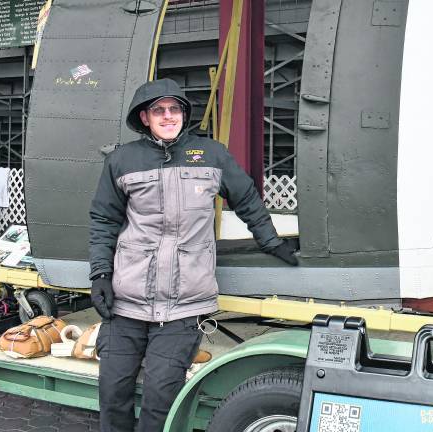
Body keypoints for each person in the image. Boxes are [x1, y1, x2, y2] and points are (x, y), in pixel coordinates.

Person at [88, 78, 298, 432]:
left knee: (160, 399)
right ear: (144, 117)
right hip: (127, 304)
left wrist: (270, 241)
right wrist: (99, 275)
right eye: (159, 110)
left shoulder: (212, 154)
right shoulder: (123, 161)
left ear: (184, 114)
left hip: (183, 308)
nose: (168, 116)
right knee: (112, 394)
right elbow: (104, 219)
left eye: (174, 109)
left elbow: (246, 199)